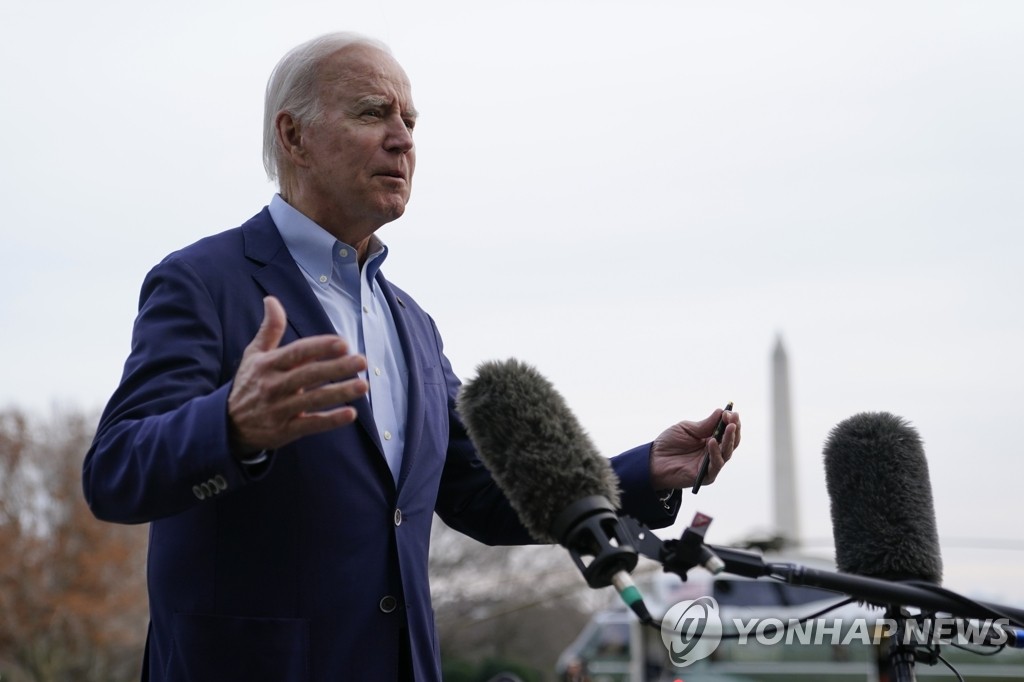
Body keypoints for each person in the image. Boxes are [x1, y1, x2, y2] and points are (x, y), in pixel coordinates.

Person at [82, 32, 741, 682]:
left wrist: (646, 472)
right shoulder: (203, 282)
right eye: (373, 113)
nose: (403, 138)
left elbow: (476, 491)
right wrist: (232, 425)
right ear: (293, 137)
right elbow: (116, 471)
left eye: (410, 121)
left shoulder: (414, 325)